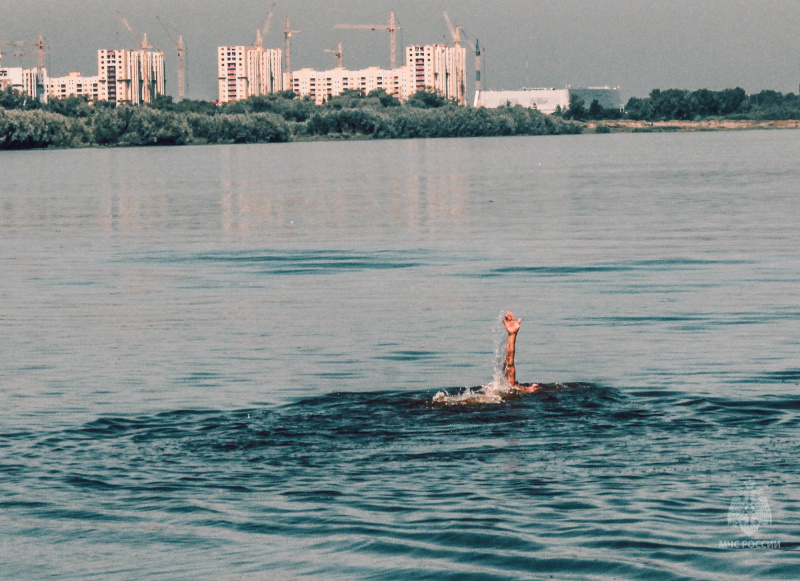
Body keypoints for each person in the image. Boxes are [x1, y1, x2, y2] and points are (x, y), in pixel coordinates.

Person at [502, 311, 539, 392]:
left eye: (536, 386)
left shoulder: (515, 389)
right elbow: (509, 363)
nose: (534, 385)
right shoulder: (515, 388)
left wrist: (512, 335)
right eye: (534, 385)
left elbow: (509, 364)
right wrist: (512, 335)